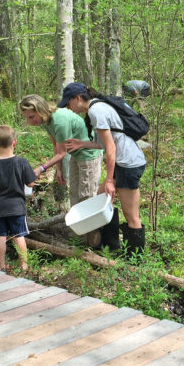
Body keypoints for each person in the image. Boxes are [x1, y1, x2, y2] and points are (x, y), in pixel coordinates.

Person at [61, 82, 147, 256]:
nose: (68, 108)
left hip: (128, 164)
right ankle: (110, 246)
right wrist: (82, 143)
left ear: (77, 98)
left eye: (68, 103)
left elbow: (111, 148)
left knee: (132, 216)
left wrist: (109, 180)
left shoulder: (96, 111)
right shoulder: (98, 106)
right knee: (102, 198)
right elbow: (106, 142)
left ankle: (135, 260)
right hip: (123, 163)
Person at [19, 94, 103, 245]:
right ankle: (79, 236)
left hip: (89, 155)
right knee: (74, 195)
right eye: (28, 118)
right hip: (76, 155)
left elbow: (61, 153)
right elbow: (56, 147)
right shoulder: (46, 121)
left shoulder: (59, 121)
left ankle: (93, 240)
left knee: (87, 195)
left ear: (40, 109)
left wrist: (41, 168)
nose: (30, 121)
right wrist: (59, 170)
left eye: (32, 117)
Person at [0, 125, 37, 272]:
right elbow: (31, 183)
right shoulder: (22, 162)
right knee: (19, 236)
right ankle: (24, 266)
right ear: (15, 142)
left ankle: (1, 266)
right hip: (17, 207)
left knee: (0, 236)